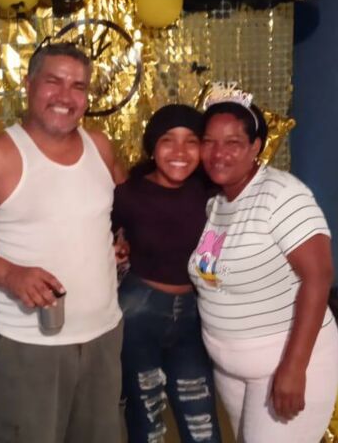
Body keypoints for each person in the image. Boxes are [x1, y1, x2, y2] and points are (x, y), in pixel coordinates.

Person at [0, 42, 125, 443]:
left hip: (103, 336)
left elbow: (120, 208)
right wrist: (9, 274)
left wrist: (123, 239)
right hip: (27, 343)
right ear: (29, 84)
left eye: (78, 86)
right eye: (54, 81)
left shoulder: (100, 146)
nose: (65, 96)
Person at [188, 85, 338, 442]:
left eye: (233, 143)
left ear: (256, 146)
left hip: (283, 365)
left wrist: (294, 368)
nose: (218, 153)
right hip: (232, 370)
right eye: (209, 142)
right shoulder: (217, 204)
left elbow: (319, 277)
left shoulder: (282, 194)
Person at [113, 104, 222, 443]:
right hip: (138, 312)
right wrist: (114, 248)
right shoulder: (128, 194)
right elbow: (97, 240)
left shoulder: (210, 193)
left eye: (191, 141)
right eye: (167, 140)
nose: (179, 151)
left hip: (193, 317)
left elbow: (215, 254)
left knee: (201, 420)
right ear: (152, 146)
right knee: (146, 417)